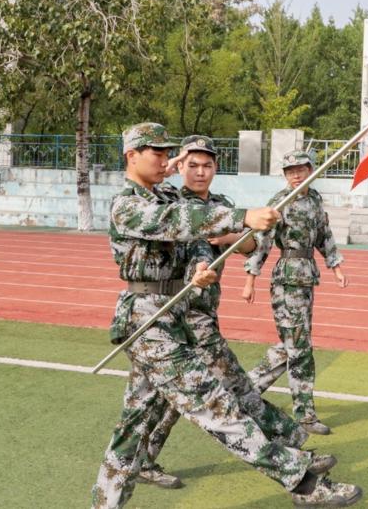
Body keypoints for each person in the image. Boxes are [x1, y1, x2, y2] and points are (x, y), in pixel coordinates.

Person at [91, 123, 362, 509]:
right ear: (131, 155)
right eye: (157, 152)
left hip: (173, 318)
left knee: (134, 428)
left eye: (168, 153)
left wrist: (200, 268)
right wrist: (243, 216)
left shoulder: (165, 194)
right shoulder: (128, 204)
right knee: (218, 407)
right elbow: (181, 222)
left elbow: (196, 240)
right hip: (149, 322)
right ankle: (302, 482)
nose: (165, 159)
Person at [136, 135, 312, 491]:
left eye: (207, 165)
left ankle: (142, 460)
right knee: (235, 387)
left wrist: (230, 239)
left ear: (216, 168)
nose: (200, 172)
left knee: (167, 399)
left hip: (204, 312)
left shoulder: (221, 205)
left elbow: (250, 244)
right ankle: (291, 450)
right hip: (178, 314)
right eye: (192, 165)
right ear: (181, 167)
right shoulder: (170, 203)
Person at [243, 150, 350, 436]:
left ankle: (241, 393)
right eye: (290, 171)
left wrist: (336, 267)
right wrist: (250, 279)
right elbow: (263, 242)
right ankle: (305, 415)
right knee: (299, 347)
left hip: (307, 276)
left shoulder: (314, 200)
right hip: (286, 279)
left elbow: (324, 235)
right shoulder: (279, 202)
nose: (296, 175)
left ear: (311, 170)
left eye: (300, 169)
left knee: (290, 344)